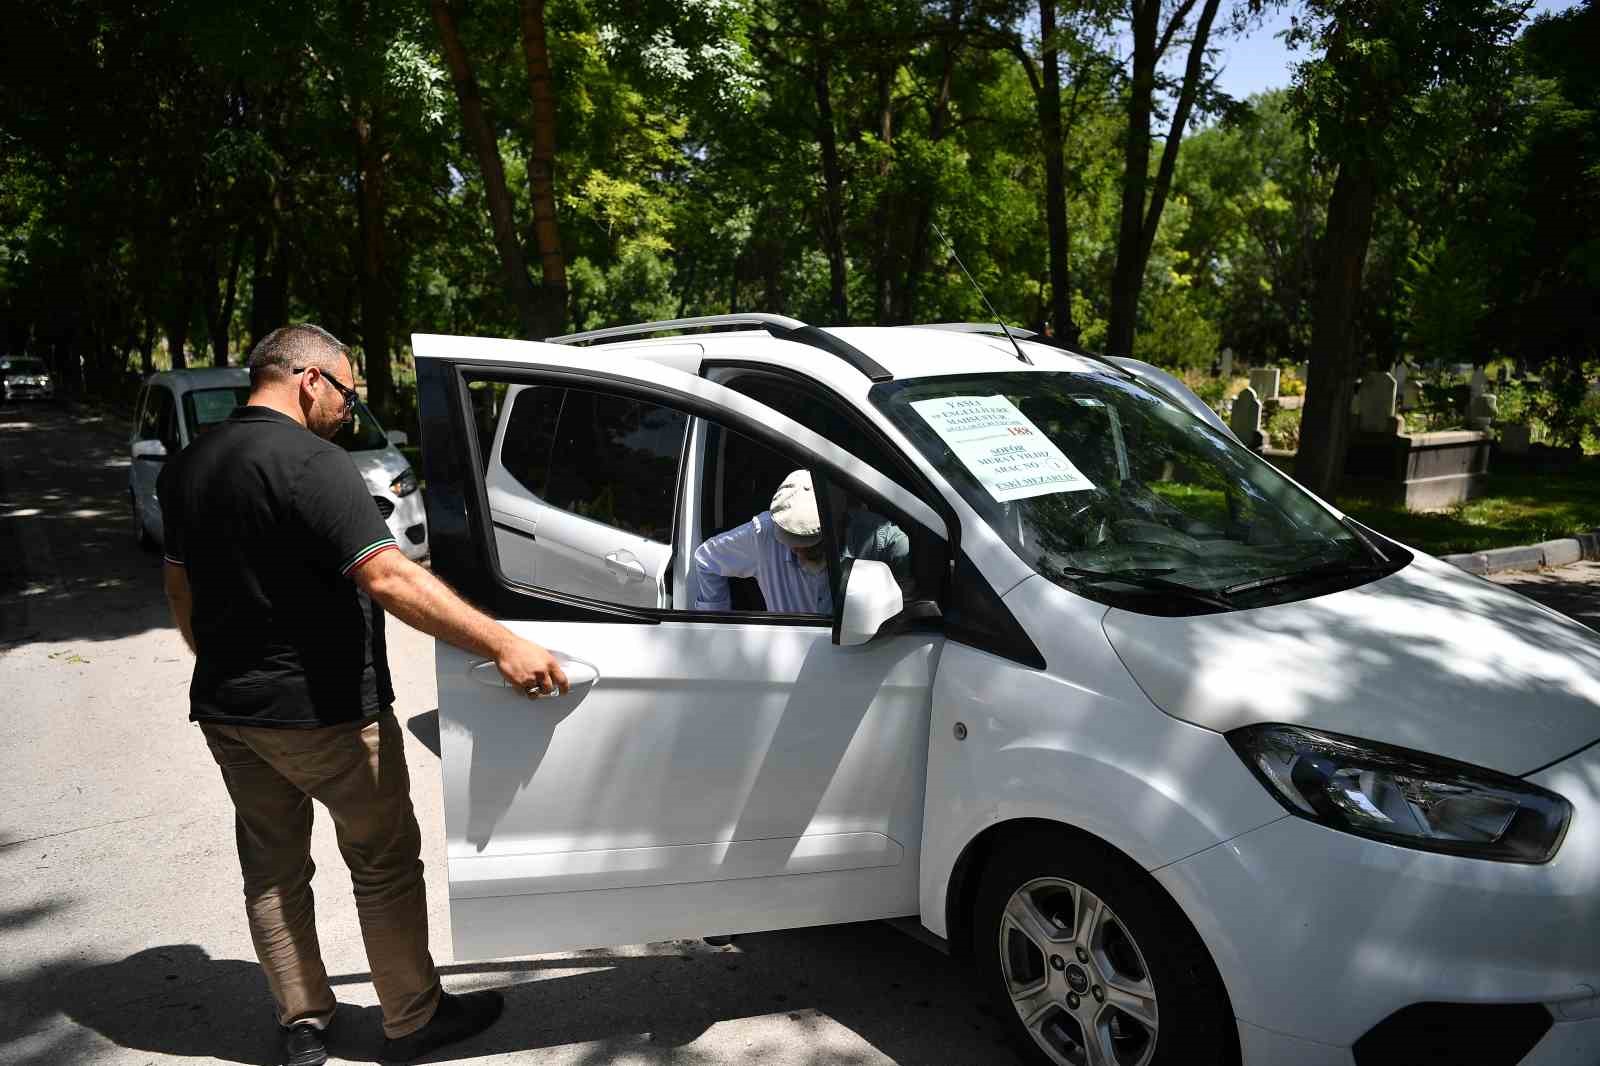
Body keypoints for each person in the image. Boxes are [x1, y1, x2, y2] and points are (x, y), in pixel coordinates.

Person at [158, 324, 569, 1066]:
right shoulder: (314, 463)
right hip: (328, 716)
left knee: (273, 870)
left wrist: (214, 658)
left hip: (228, 711)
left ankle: (304, 1023)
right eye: (347, 390)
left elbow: (179, 585)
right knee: (381, 862)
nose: (351, 407)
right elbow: (389, 576)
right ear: (309, 379)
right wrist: (506, 643)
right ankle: (413, 1017)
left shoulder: (189, 465)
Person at [692, 469, 911, 614]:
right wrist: (715, 624)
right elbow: (706, 560)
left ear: (839, 523)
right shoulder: (763, 534)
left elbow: (900, 550)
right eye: (791, 543)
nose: (798, 551)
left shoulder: (876, 538)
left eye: (811, 545)